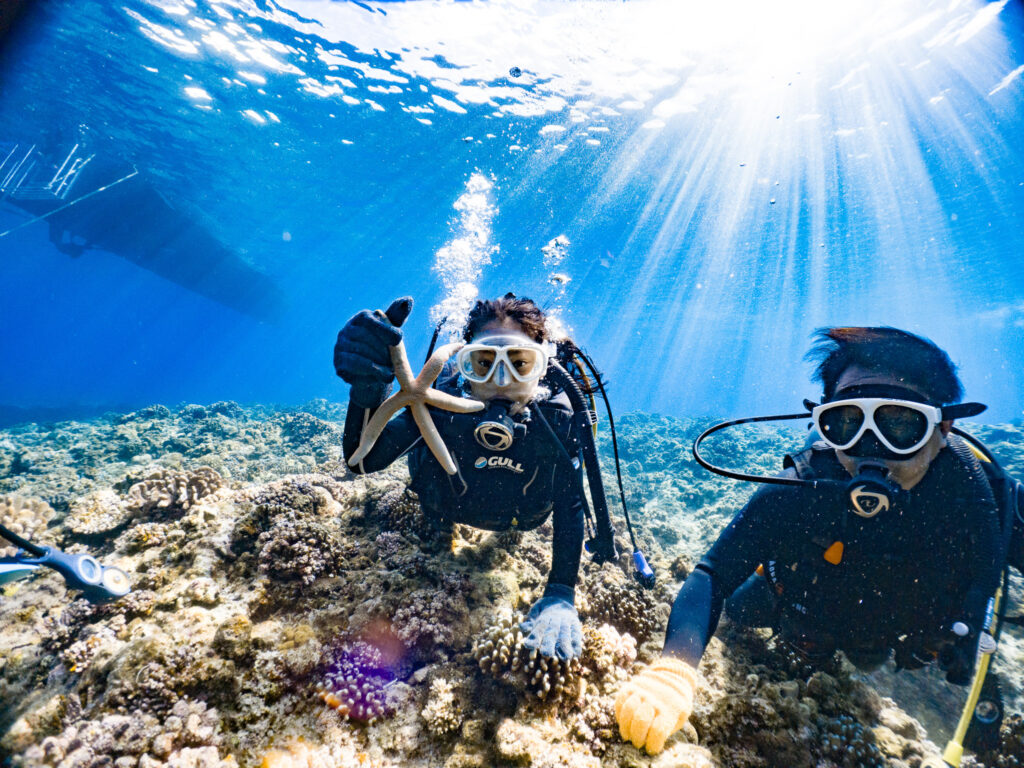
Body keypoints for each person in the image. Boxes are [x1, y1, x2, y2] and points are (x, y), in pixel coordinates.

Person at [615, 327, 1022, 755]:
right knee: (738, 610)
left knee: (869, 659)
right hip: (800, 612)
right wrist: (674, 668)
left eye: (900, 424)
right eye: (847, 423)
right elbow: (712, 575)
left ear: (944, 427)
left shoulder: (980, 500)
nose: (870, 449)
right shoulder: (801, 489)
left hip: (894, 637)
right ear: (824, 424)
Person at [333, 294, 591, 661]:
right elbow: (361, 461)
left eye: (520, 363)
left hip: (526, 518)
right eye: (482, 363)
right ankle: (440, 526)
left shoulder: (558, 421)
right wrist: (367, 390)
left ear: (543, 366)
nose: (501, 381)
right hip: (442, 504)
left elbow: (571, 506)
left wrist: (561, 592)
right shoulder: (436, 403)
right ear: (462, 363)